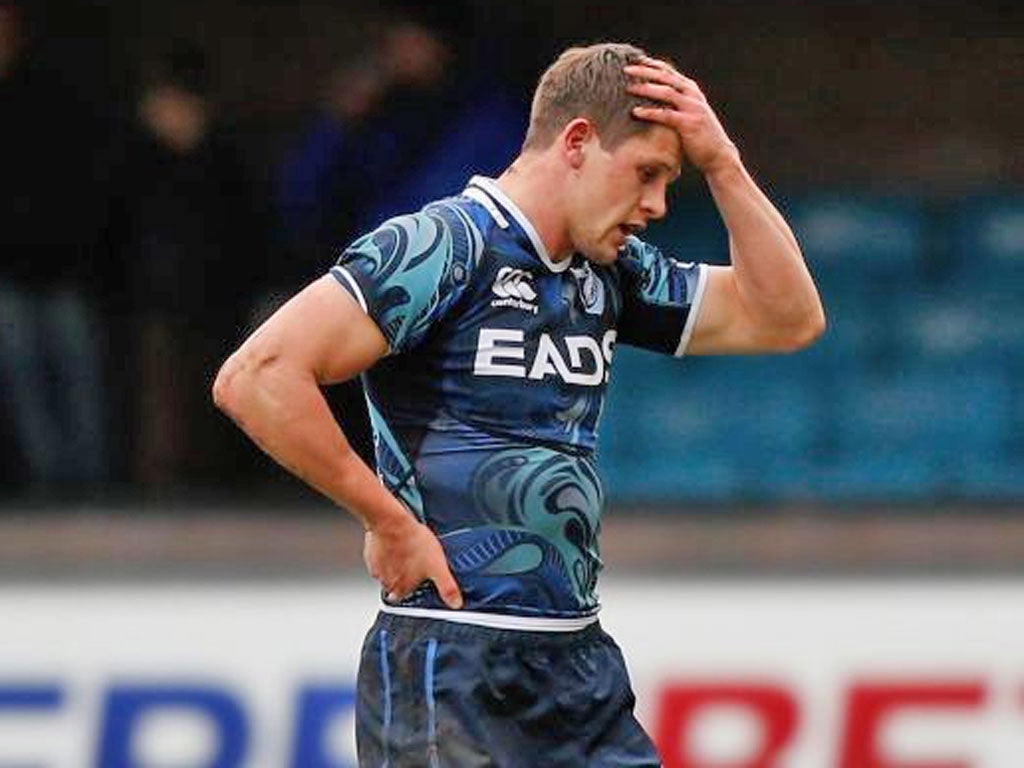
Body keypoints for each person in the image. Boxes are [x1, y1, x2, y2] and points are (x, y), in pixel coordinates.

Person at [214, 43, 825, 766]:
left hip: (579, 665)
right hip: (451, 660)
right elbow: (257, 375)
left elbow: (786, 317)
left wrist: (723, 163)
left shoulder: (611, 273)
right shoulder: (445, 246)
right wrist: (385, 518)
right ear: (577, 142)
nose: (657, 206)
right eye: (647, 174)